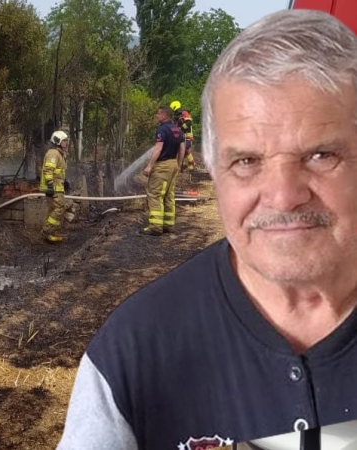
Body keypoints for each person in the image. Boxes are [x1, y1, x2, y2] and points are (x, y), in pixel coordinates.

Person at [57, 9, 357, 449]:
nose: (283, 195)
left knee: (157, 202)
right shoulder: (133, 354)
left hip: (163, 173)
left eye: (320, 155)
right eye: (246, 161)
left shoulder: (167, 129)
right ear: (215, 171)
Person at [140, 105, 185, 236]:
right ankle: (168, 225)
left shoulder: (162, 129)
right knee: (169, 195)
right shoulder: (177, 129)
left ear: (164, 115)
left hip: (162, 166)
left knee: (155, 194)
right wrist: (178, 165)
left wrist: (149, 166)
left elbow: (158, 148)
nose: (157, 116)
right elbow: (182, 149)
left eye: (159, 114)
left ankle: (155, 226)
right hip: (173, 164)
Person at [39, 130, 75, 243]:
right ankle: (47, 231)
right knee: (60, 207)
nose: (66, 143)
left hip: (57, 187)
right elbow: (48, 170)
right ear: (57, 141)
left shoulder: (60, 154)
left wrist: (64, 182)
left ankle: (50, 232)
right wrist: (50, 185)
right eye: (64, 141)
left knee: (53, 209)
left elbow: (58, 172)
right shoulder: (53, 154)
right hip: (53, 187)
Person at [170, 100, 196, 177]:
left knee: (183, 149)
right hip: (181, 137)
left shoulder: (184, 113)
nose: (173, 112)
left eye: (173, 110)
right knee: (185, 151)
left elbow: (189, 122)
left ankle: (186, 165)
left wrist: (181, 129)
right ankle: (190, 165)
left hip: (187, 137)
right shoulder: (176, 116)